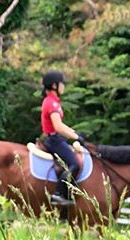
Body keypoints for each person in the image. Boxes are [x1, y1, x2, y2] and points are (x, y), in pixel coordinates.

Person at [40, 70, 85, 206]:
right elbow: (58, 127)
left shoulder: (52, 101)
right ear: (54, 85)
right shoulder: (51, 103)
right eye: (62, 84)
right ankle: (59, 193)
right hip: (54, 140)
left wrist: (74, 133)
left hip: (57, 139)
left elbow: (61, 125)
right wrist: (76, 137)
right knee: (75, 164)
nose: (63, 86)